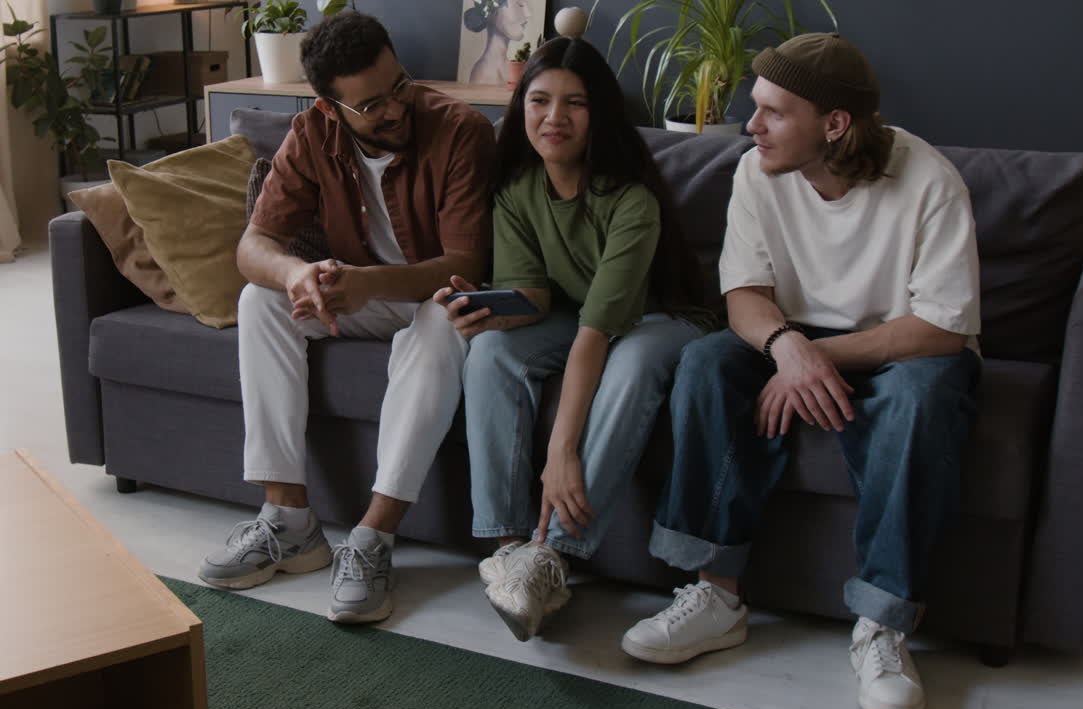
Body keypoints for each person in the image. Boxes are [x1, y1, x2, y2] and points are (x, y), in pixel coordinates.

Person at [620, 33, 982, 709]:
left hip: (902, 347)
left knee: (921, 397)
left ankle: (882, 625)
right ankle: (717, 596)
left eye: (773, 112)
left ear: (835, 124)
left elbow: (944, 328)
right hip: (788, 336)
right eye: (754, 107)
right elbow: (744, 296)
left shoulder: (930, 181)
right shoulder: (757, 171)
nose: (751, 125)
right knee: (705, 361)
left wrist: (819, 358)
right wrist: (789, 347)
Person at [197, 12, 495, 625]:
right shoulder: (310, 135)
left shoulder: (461, 129)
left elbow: (465, 261)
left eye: (399, 87)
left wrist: (365, 285)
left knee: (445, 318)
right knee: (260, 298)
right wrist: (296, 275)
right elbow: (252, 247)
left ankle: (373, 537)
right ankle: (289, 522)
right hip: (362, 294)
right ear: (332, 109)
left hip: (436, 295)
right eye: (371, 105)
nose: (394, 109)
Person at [434, 36, 711, 642]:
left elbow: (597, 334)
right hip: (578, 313)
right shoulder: (517, 190)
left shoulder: (631, 199)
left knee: (632, 361)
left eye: (574, 103)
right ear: (520, 108)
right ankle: (511, 549)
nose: (554, 118)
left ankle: (554, 555)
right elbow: (532, 297)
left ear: (600, 113)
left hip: (662, 318)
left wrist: (561, 453)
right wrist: (486, 312)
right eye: (539, 100)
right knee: (492, 351)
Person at [464, 0, 531, 85]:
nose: (528, 13)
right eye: (519, 5)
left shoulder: (509, 68)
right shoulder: (484, 75)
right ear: (493, 13)